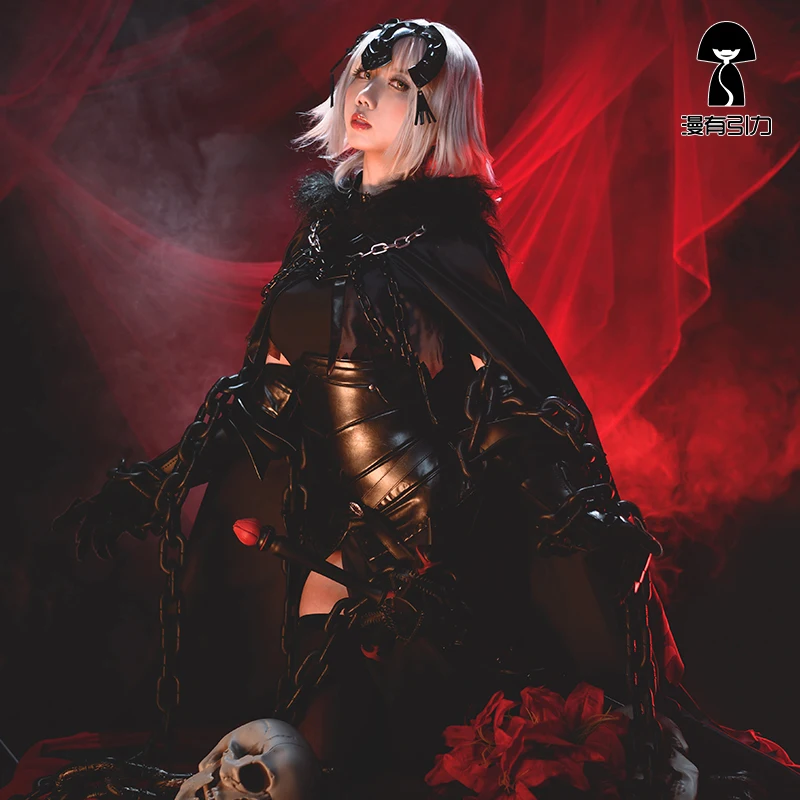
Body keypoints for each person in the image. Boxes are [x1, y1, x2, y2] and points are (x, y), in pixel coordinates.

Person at [55, 17, 800, 799]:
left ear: (436, 114)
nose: (366, 95)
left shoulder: (448, 250)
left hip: (434, 549)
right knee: (315, 753)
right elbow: (269, 397)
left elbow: (504, 398)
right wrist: (160, 478)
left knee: (404, 767)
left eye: (400, 85)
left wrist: (569, 518)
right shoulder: (318, 240)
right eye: (362, 75)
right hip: (330, 533)